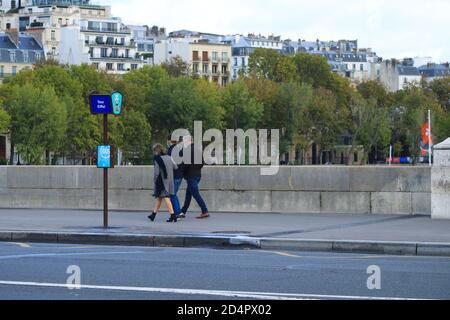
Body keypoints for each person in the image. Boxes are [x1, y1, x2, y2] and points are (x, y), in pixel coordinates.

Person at [179, 135, 210, 219]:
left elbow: (184, 165)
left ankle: (205, 211)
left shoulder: (186, 150)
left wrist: (183, 173)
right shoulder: (198, 150)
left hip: (191, 176)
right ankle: (183, 211)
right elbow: (202, 163)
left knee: (195, 194)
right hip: (197, 175)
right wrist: (196, 169)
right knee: (189, 194)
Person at [148, 144, 179, 223]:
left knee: (166, 198)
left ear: (156, 151)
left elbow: (156, 173)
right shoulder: (169, 157)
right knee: (160, 198)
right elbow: (175, 167)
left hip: (162, 182)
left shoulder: (157, 159)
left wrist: (155, 182)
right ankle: (153, 214)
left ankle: (173, 216)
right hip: (170, 181)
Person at [167, 136, 184, 218]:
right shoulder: (181, 149)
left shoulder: (170, 150)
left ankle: (177, 212)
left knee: (172, 194)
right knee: (173, 193)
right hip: (180, 175)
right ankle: (177, 212)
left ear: (170, 141)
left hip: (174, 175)